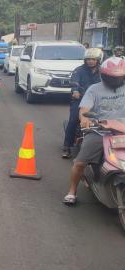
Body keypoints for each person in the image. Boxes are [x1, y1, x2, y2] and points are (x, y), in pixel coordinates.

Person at [63, 57, 125, 205]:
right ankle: (72, 191)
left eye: (120, 77)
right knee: (80, 163)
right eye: (112, 77)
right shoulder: (94, 89)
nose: (116, 80)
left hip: (122, 131)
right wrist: (85, 119)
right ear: (104, 75)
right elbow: (84, 110)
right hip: (100, 132)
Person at [62, 48, 103, 158]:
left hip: (98, 101)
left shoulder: (103, 71)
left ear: (98, 60)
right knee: (73, 120)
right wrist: (75, 91)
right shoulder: (79, 70)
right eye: (88, 59)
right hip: (80, 100)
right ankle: (67, 147)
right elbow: (74, 82)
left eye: (93, 59)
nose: (90, 61)